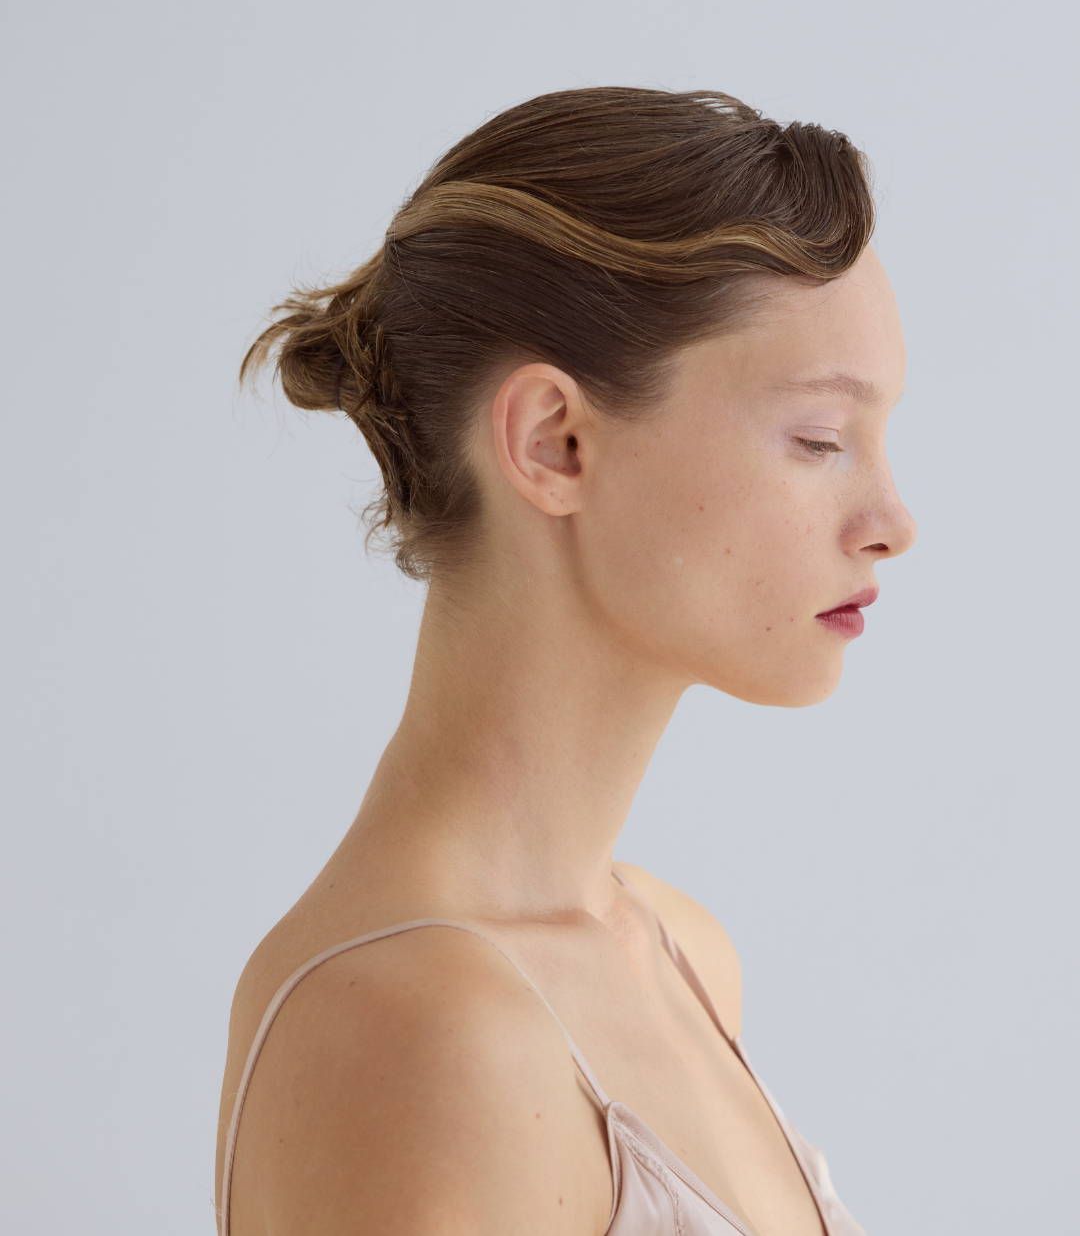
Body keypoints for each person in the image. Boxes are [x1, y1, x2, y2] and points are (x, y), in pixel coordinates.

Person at [215, 87, 916, 1236]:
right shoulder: (416, 1029)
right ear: (555, 442)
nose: (893, 522)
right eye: (820, 440)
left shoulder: (681, 952)